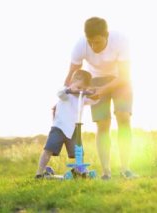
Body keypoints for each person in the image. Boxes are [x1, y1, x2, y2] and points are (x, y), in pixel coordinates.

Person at [64, 17, 137, 180]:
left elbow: (125, 77)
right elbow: (70, 78)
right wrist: (62, 100)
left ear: (107, 35)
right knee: (103, 124)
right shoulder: (80, 45)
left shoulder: (121, 41)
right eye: (90, 42)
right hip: (95, 80)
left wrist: (102, 90)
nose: (93, 46)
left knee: (123, 118)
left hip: (121, 81)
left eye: (97, 42)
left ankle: (126, 168)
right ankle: (106, 172)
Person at [35, 69, 94, 179]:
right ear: (73, 82)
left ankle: (79, 170)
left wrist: (93, 94)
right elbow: (60, 92)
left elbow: (93, 100)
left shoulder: (82, 97)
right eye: (79, 87)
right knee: (48, 149)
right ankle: (39, 172)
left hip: (73, 129)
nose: (81, 91)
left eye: (84, 89)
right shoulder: (65, 93)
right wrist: (70, 90)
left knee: (79, 152)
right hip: (59, 127)